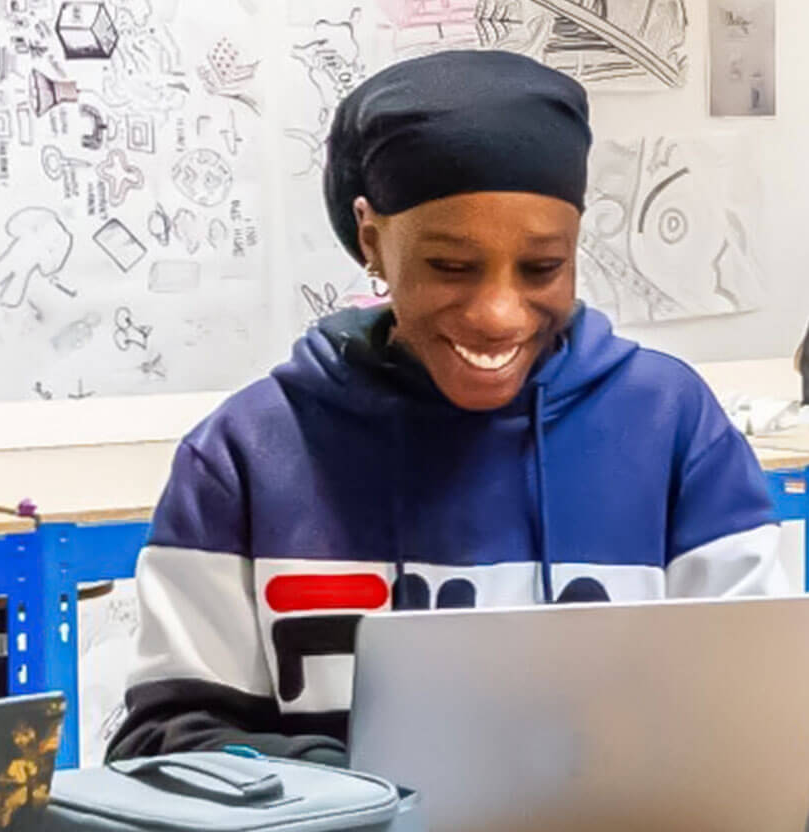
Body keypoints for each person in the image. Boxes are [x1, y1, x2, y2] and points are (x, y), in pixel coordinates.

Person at [108, 50, 789, 765]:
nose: (498, 314)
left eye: (542, 267)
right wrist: (375, 796)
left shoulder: (672, 428)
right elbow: (170, 745)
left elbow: (759, 713)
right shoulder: (247, 455)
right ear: (371, 238)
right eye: (451, 267)